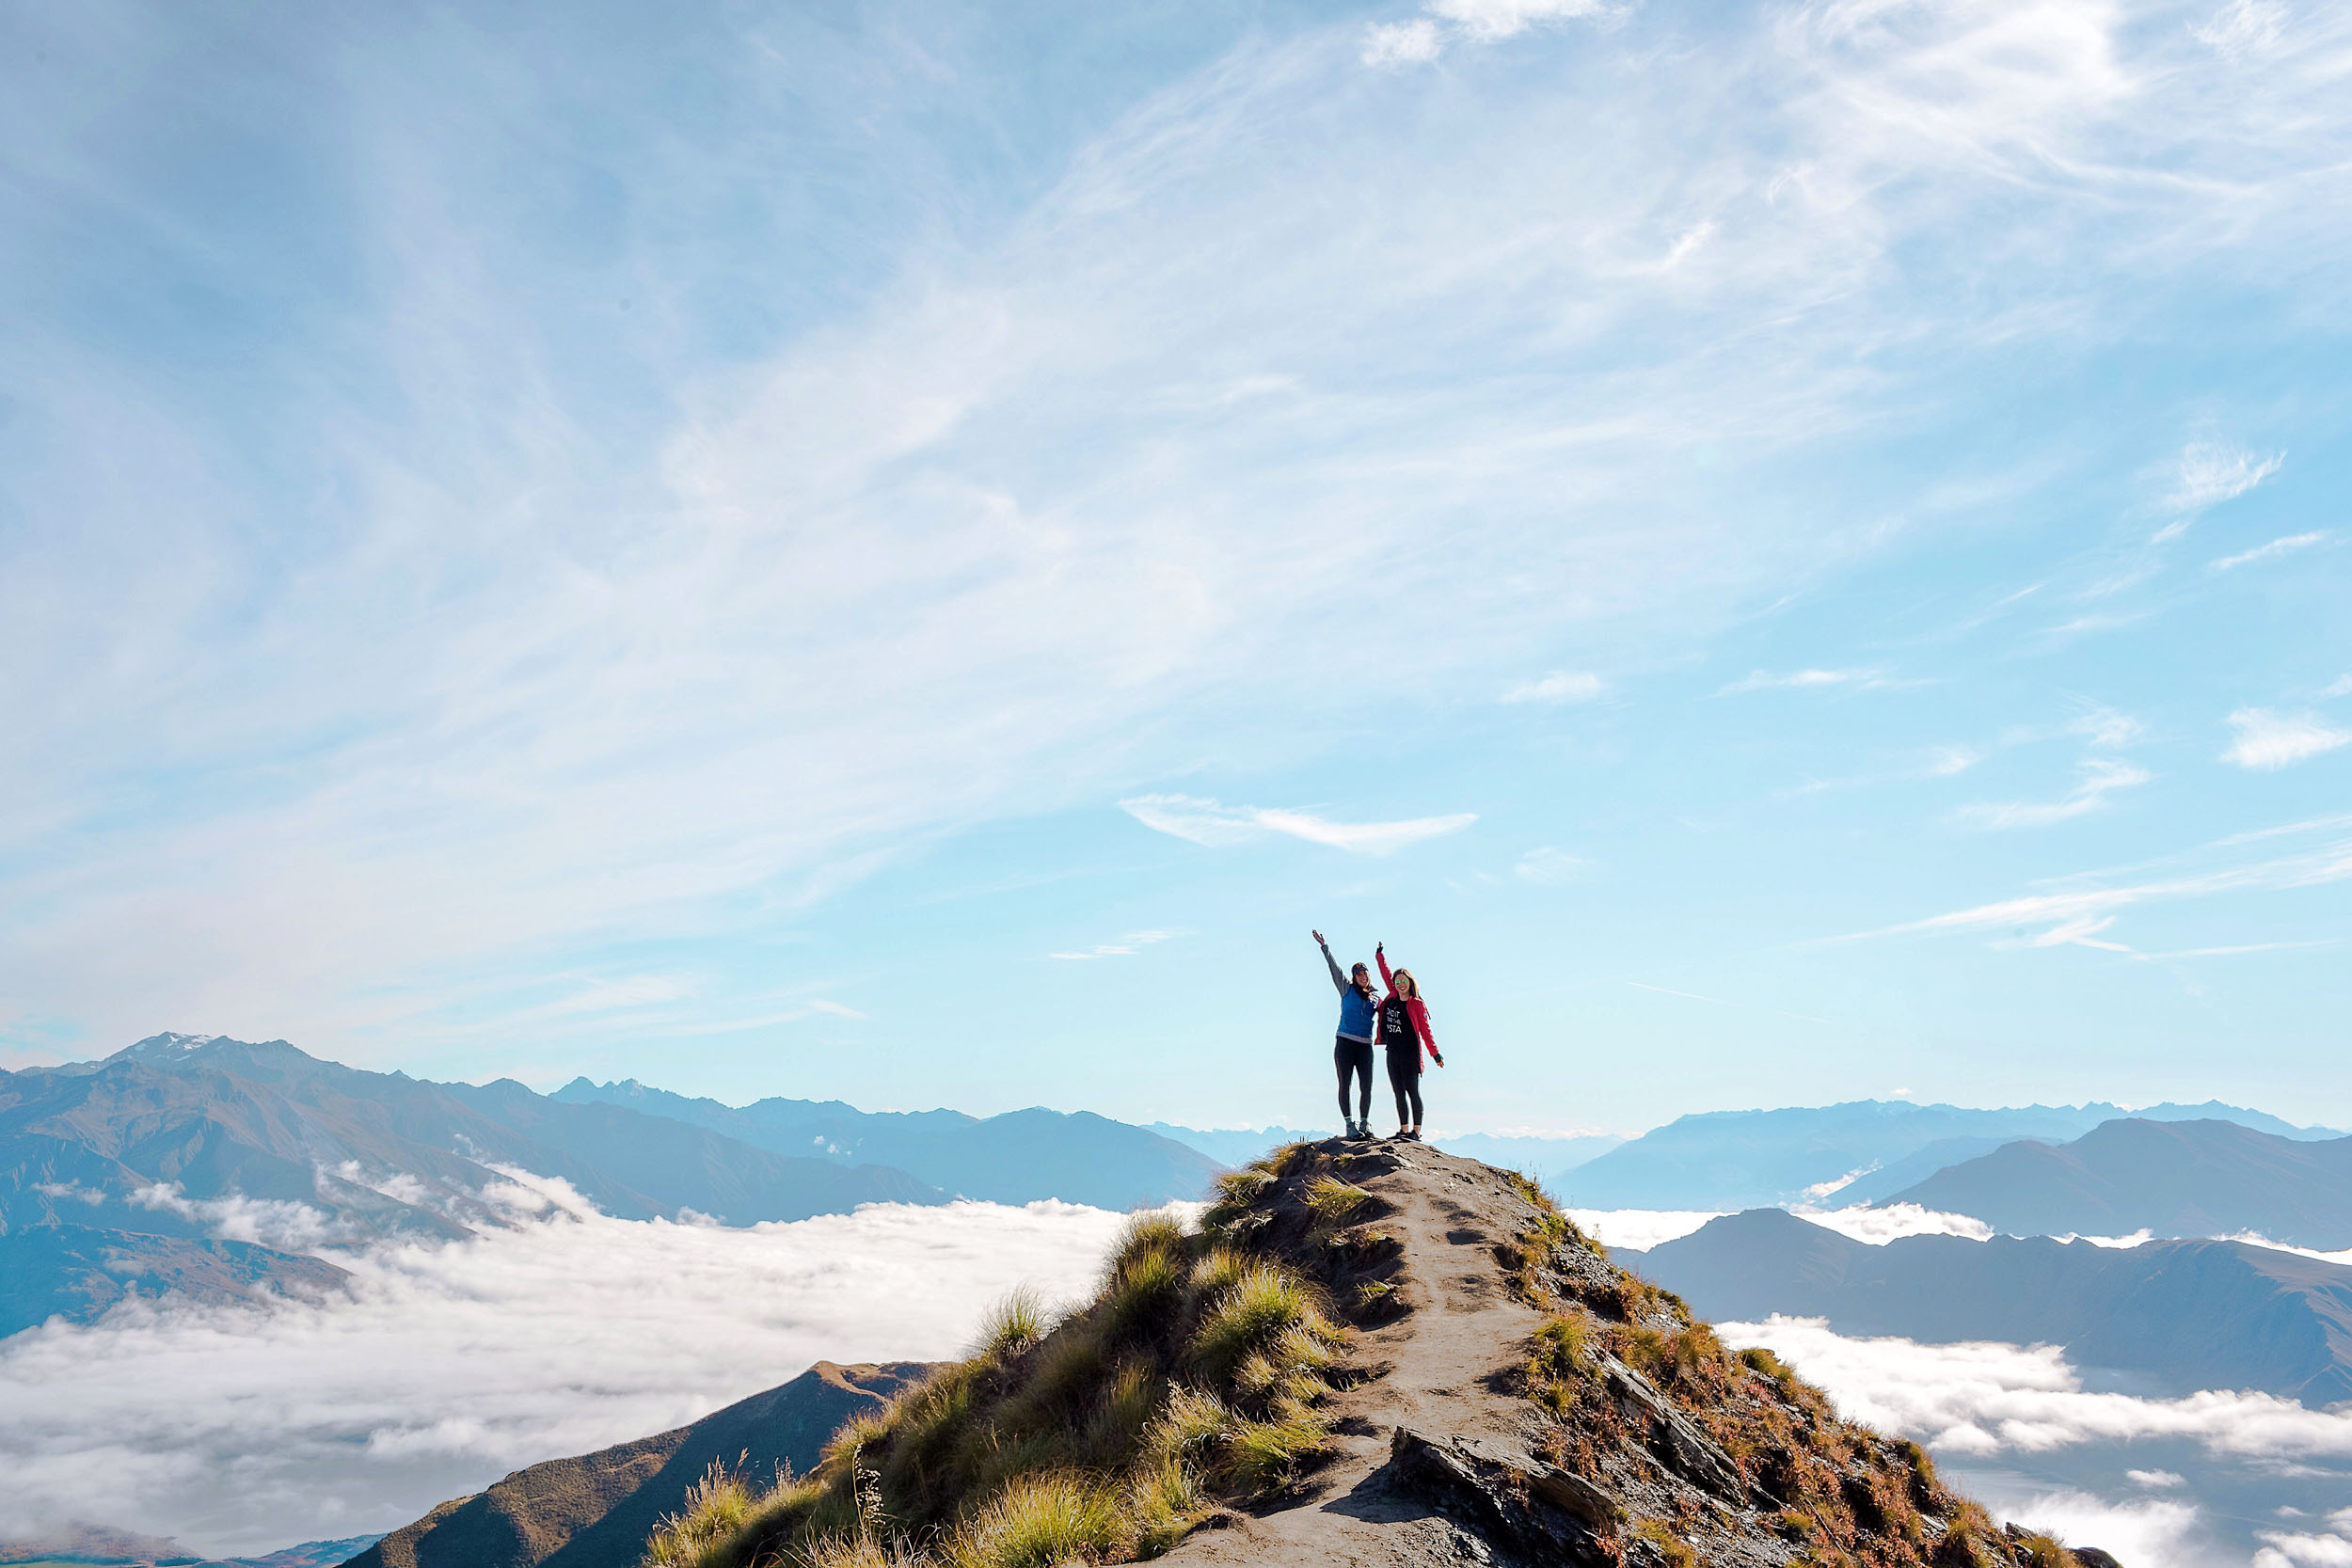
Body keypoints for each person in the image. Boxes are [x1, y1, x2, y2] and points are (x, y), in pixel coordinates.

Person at [1313, 930, 1379, 1140]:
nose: (1362, 976)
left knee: (1366, 1085)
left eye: (1365, 973)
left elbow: (1392, 1011)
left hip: (1365, 1046)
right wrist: (1325, 947)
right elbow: (1334, 969)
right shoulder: (1346, 988)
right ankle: (1350, 1125)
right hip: (1345, 1042)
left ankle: (1365, 1124)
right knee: (1345, 1084)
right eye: (1359, 974)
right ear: (1354, 977)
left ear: (1369, 975)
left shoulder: (1376, 997)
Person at [1375, 942, 1443, 1141]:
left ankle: (1416, 1132)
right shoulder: (1393, 996)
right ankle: (1403, 1131)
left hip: (1410, 1054)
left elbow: (1426, 1032)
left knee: (1412, 1091)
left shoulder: (1417, 1005)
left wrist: (1435, 1054)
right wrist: (1380, 955)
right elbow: (1386, 974)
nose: (1400, 984)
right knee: (1398, 1092)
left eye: (1404, 981)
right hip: (1393, 1052)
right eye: (1397, 982)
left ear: (1410, 983)